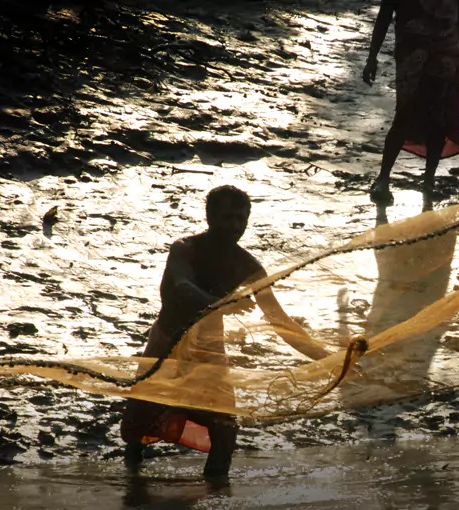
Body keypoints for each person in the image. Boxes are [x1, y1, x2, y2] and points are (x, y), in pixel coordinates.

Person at [121, 185, 331, 480]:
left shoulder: (248, 266)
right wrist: (221, 304)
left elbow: (279, 321)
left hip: (209, 350)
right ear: (210, 218)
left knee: (224, 426)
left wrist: (328, 357)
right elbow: (182, 287)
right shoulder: (185, 249)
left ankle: (216, 486)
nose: (234, 226)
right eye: (227, 218)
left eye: (241, 220)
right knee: (140, 423)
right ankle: (133, 478)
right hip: (167, 343)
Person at [362, 0, 459, 207]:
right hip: (412, 55)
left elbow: (456, 19)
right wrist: (372, 57)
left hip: (448, 54)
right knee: (405, 113)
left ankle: (428, 181)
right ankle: (383, 178)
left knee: (439, 118)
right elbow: (385, 14)